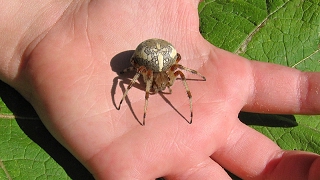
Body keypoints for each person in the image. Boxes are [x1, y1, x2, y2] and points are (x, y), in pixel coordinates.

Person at [1, 1, 319, 179]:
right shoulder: (146, 75)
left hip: (162, 54)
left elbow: (182, 69)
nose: (167, 86)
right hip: (147, 55)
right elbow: (124, 80)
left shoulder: (174, 70)